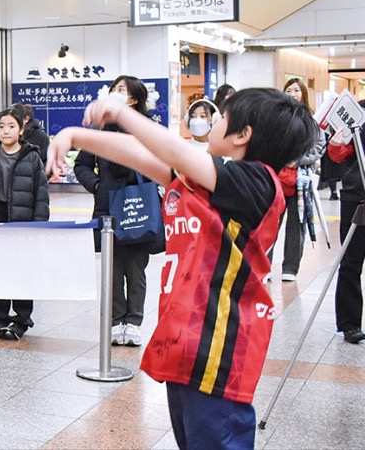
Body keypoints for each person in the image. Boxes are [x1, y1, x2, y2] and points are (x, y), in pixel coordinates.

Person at [46, 88, 316, 448]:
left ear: (242, 135)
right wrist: (76, 136)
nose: (208, 122)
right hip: (188, 341)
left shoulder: (257, 182)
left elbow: (174, 151)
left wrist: (121, 113)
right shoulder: (208, 181)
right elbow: (143, 157)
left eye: (219, 118)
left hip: (219, 349)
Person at [73, 75, 160, 347]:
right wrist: (97, 185)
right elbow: (81, 165)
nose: (115, 93)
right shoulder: (101, 128)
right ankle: (115, 321)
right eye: (114, 89)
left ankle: (133, 322)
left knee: (136, 270)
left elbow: (163, 163)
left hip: (138, 206)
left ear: (134, 98)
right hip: (108, 206)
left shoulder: (148, 129)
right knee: (112, 268)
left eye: (121, 90)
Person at [0, 108, 50, 340]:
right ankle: (0, 320)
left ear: (21, 130)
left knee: (22, 272)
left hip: (22, 222)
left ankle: (22, 319)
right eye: (1, 126)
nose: (5, 130)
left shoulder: (31, 156)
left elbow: (41, 195)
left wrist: (38, 227)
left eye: (11, 126)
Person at [276, 78, 325, 281]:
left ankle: (290, 268)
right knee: (270, 223)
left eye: (296, 90)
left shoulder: (311, 120)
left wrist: (299, 160)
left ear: (303, 93)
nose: (292, 93)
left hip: (301, 181)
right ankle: (262, 266)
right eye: (289, 90)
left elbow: (319, 146)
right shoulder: (276, 118)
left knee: (297, 224)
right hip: (277, 179)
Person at [327, 103, 365, 345]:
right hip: (356, 193)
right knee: (350, 262)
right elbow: (338, 154)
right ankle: (350, 324)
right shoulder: (355, 111)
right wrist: (337, 144)